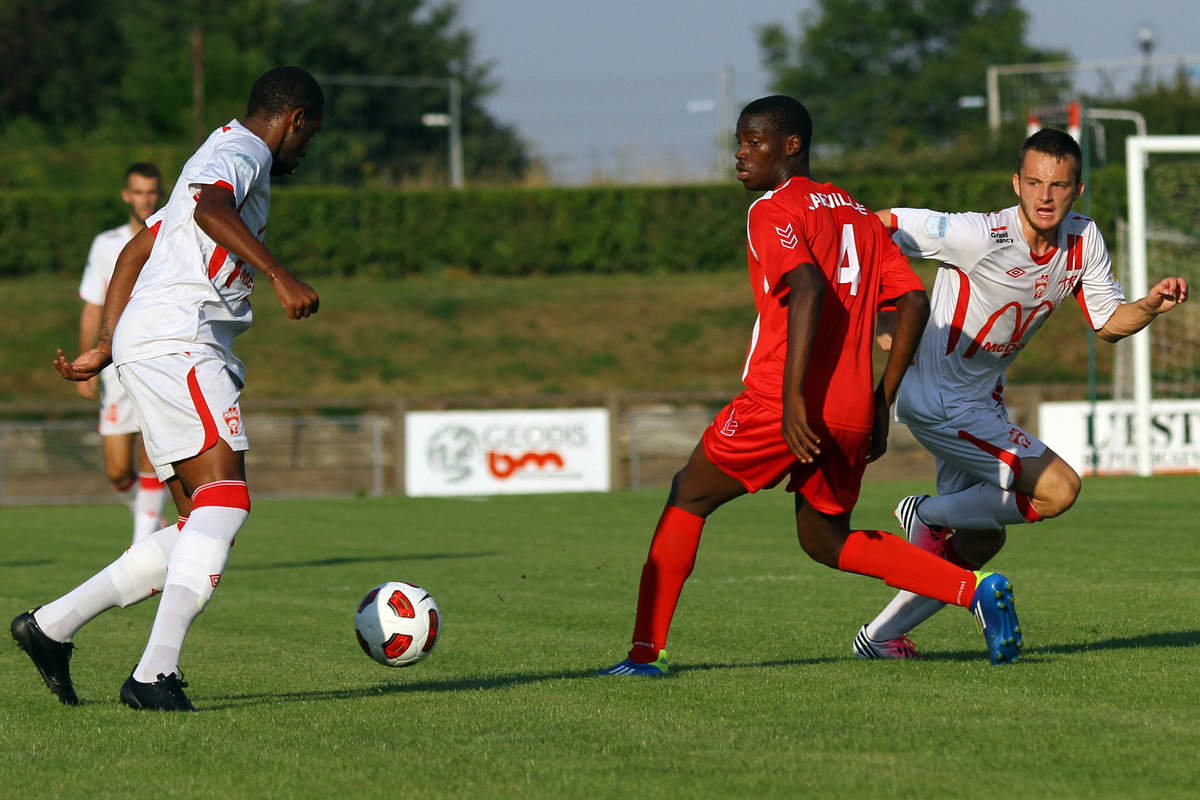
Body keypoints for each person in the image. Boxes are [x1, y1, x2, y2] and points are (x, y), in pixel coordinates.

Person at [602, 95, 1023, 678]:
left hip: (782, 400)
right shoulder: (854, 211)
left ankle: (645, 655)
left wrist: (793, 400)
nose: (740, 155)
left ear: (790, 146)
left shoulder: (772, 210)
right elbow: (913, 301)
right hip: (851, 408)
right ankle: (970, 589)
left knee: (688, 494)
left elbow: (806, 287)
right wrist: (880, 398)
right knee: (824, 540)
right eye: (739, 143)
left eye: (753, 142)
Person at [10, 66, 324, 711]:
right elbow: (211, 210)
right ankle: (153, 676)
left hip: (153, 342)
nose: (306, 150)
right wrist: (279, 273)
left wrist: (106, 341)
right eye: (308, 135)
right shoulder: (241, 155)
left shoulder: (209, 153)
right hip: (184, 340)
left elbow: (134, 254)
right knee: (226, 502)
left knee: (197, 521)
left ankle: (52, 627)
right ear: (293, 121)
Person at [852, 127, 1189, 660]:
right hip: (941, 402)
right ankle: (928, 513)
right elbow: (875, 227)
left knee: (983, 540)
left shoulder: (1083, 239)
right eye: (1034, 182)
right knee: (1059, 489)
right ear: (1016, 183)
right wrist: (883, 314)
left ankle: (879, 637)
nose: (1045, 196)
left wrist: (1149, 305)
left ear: (1077, 190)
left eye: (1058, 184)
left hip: (981, 401)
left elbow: (1107, 323)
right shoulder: (977, 235)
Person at [77, 162, 170, 543]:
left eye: (151, 191)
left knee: (152, 457)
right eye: (138, 191)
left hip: (154, 361)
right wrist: (88, 362)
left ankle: (141, 545)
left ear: (160, 193)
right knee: (117, 471)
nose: (145, 199)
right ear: (126, 195)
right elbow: (92, 305)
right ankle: (149, 519)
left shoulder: (171, 236)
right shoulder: (107, 243)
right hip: (113, 367)